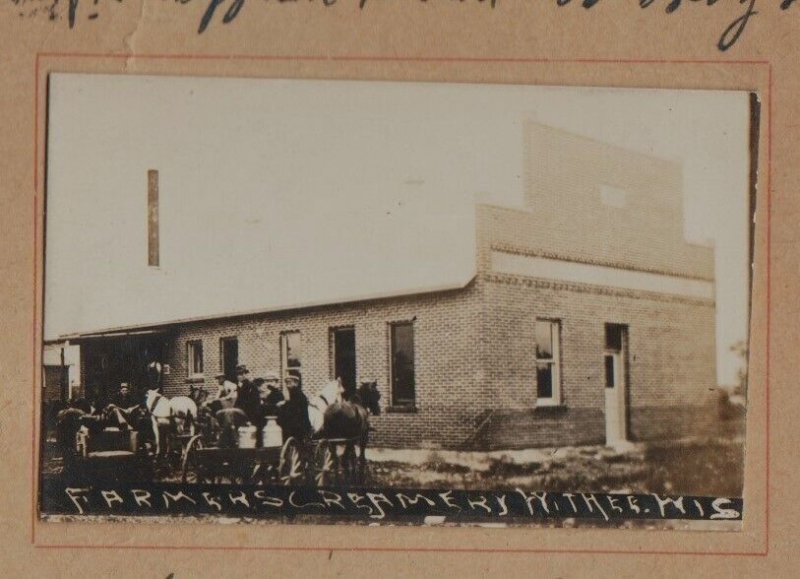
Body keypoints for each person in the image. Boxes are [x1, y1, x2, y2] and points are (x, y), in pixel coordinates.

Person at [277, 371, 311, 442]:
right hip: (299, 423)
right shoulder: (295, 393)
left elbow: (293, 408)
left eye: (289, 383)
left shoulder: (297, 393)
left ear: (296, 383)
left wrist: (283, 405)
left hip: (300, 425)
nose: (287, 385)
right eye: (286, 383)